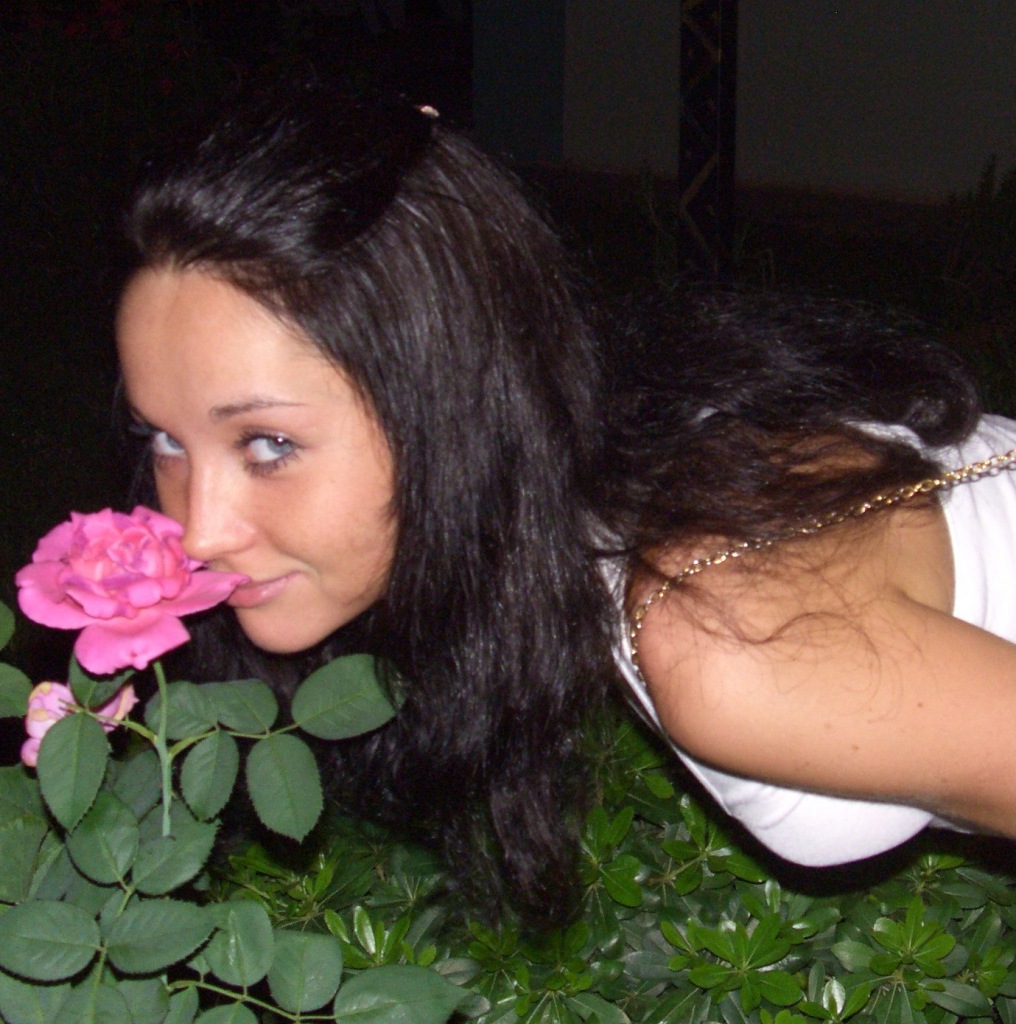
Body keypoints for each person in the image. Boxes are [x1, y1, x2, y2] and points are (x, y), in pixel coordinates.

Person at [115, 77, 1016, 925]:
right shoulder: (624, 447)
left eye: (269, 445)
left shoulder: (722, 630)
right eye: (166, 440)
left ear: (451, 404)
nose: (197, 530)